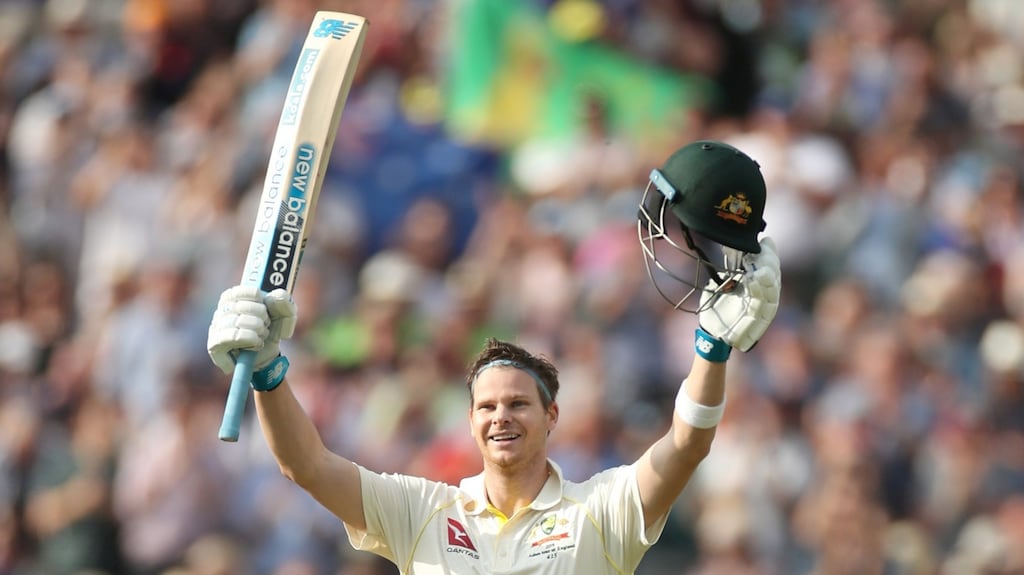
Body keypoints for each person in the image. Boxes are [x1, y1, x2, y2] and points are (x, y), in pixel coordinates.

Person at [207, 140, 782, 573]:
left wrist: (711, 350)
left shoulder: (600, 511)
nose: (500, 416)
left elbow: (687, 445)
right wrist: (268, 373)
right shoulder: (423, 511)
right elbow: (305, 465)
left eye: (517, 404)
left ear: (551, 416)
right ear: (470, 421)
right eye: (487, 407)